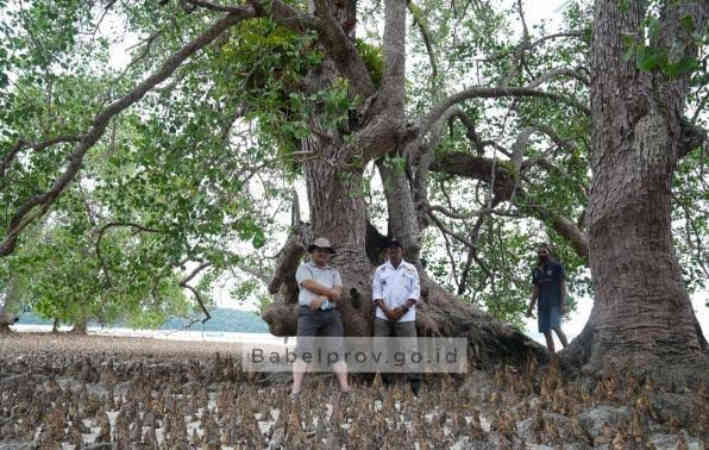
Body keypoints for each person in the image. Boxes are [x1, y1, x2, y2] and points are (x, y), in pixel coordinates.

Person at [291, 237, 351, 398]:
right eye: (319, 250)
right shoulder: (304, 269)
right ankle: (295, 390)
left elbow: (338, 293)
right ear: (312, 252)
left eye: (326, 251)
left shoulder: (334, 272)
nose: (323, 254)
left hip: (330, 314)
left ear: (329, 254)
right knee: (303, 351)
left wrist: (324, 298)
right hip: (308, 314)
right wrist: (330, 292)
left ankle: (345, 389)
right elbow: (309, 284)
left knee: (337, 351)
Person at [372, 239, 422, 395]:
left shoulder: (411, 269)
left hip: (406, 317)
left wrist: (402, 309)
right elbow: (376, 292)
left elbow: (415, 292)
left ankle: (414, 389)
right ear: (387, 252)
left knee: (410, 350)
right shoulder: (380, 270)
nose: (394, 252)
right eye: (391, 250)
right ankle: (385, 385)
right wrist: (387, 310)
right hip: (383, 316)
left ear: (402, 252)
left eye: (397, 250)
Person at [526, 243, 569, 352]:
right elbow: (536, 290)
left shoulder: (557, 266)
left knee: (556, 327)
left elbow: (563, 286)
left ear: (549, 253)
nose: (541, 254)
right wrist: (530, 308)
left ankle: (568, 351)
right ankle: (552, 357)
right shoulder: (535, 270)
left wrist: (564, 303)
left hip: (555, 302)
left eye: (544, 252)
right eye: (539, 252)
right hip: (542, 304)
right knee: (546, 331)